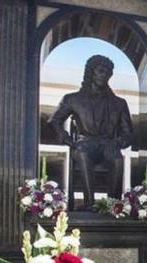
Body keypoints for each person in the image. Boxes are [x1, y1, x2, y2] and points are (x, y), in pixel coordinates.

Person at [48, 55, 133, 210]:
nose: (104, 75)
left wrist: (117, 142)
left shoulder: (119, 103)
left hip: (108, 143)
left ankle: (113, 206)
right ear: (90, 72)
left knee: (117, 158)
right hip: (85, 143)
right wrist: (67, 139)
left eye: (107, 73)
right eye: (100, 71)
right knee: (82, 152)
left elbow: (128, 133)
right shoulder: (72, 99)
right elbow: (54, 121)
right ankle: (89, 204)